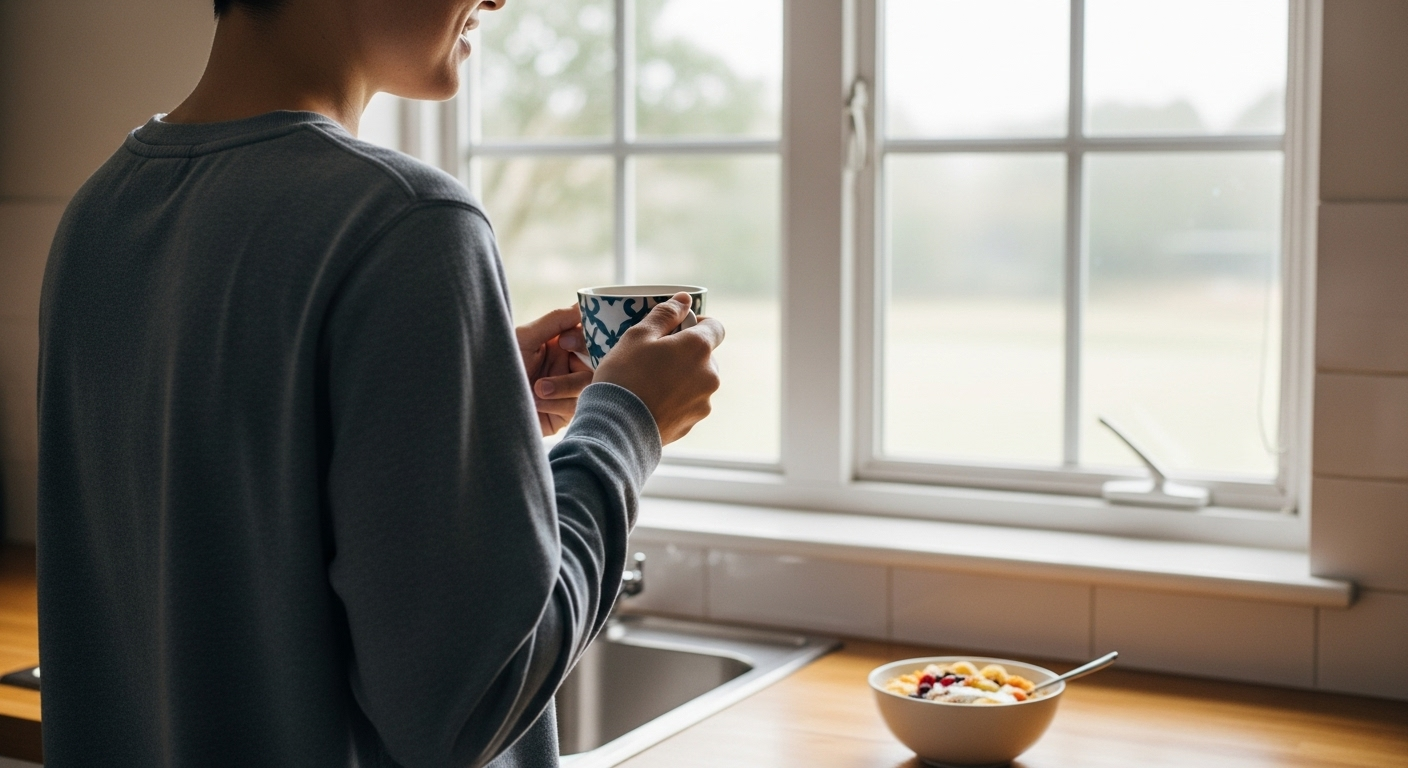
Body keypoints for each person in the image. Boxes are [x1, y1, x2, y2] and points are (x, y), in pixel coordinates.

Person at [35, 0, 724, 765]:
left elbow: (243, 522)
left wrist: (476, 409)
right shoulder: (410, 222)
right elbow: (472, 704)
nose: (499, 0)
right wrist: (626, 426)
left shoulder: (99, 214)